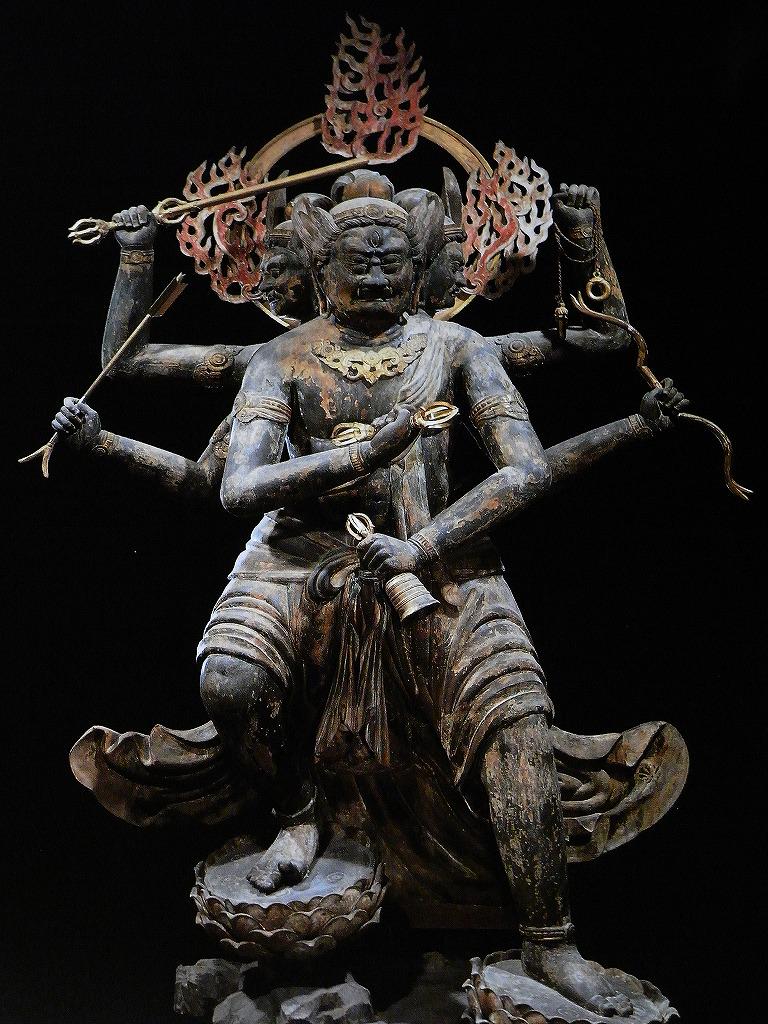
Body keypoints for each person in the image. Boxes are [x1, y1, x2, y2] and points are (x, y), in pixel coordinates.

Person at [53, 170, 687, 1017]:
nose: (379, 275)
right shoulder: (281, 356)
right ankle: (301, 810)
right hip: (299, 557)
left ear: (423, 267)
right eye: (360, 261)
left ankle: (551, 941)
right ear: (319, 269)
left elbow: (572, 395)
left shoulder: (458, 347)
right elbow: (218, 469)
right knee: (229, 679)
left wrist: (583, 237)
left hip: (442, 557)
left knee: (518, 720)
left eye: (395, 261)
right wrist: (137, 258)